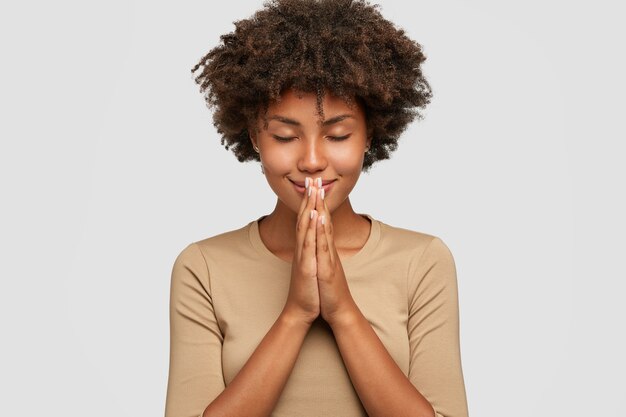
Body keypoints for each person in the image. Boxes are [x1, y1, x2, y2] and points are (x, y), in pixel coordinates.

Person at [164, 0, 469, 416]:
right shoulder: (203, 267)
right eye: (285, 136)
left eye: (338, 135)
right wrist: (296, 314)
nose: (311, 160)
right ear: (254, 136)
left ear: (369, 135)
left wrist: (342, 310)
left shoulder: (422, 261)